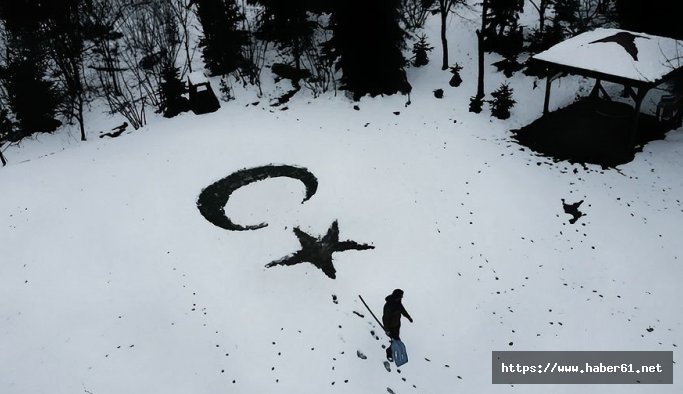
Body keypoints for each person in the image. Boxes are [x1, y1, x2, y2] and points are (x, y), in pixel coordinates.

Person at [382, 288, 413, 361]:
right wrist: (387, 330)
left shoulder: (398, 302)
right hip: (391, 327)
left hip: (397, 324)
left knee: (396, 339)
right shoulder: (389, 306)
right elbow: (385, 318)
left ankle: (393, 349)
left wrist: (409, 317)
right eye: (400, 297)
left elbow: (402, 310)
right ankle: (389, 352)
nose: (401, 298)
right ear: (396, 296)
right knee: (396, 339)